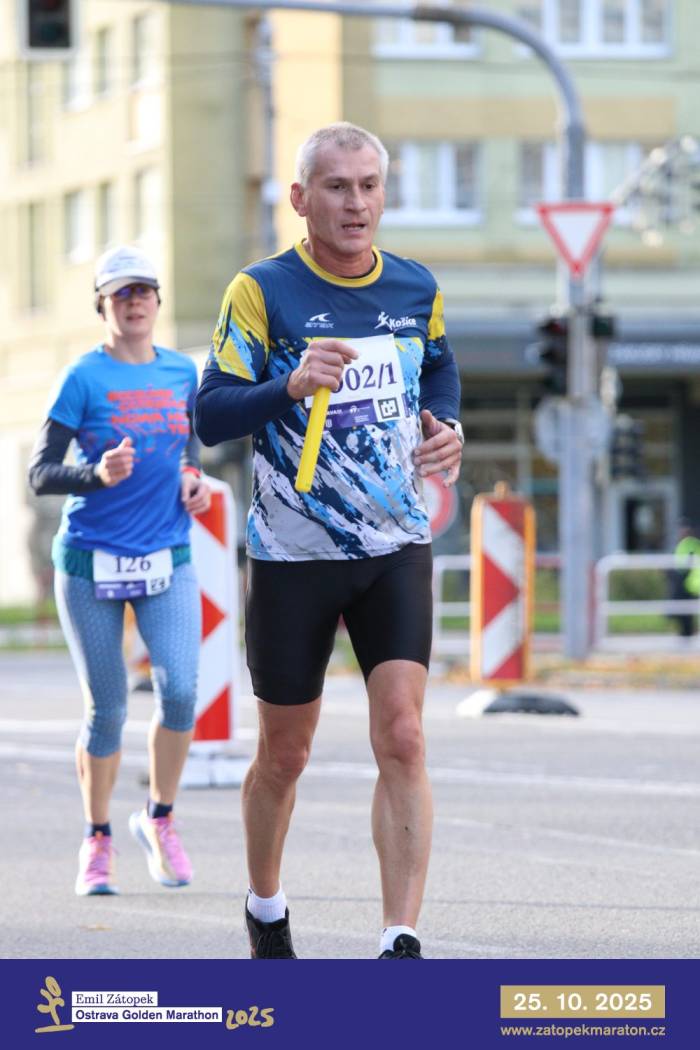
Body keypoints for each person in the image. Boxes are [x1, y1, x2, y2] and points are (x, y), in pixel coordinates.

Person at [195, 122, 463, 959]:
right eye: (337, 187)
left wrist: (445, 423)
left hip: (394, 544)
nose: (356, 203)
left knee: (404, 735)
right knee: (286, 754)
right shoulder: (261, 290)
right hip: (293, 558)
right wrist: (289, 383)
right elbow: (210, 413)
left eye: (369, 186)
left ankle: (400, 936)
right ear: (301, 198)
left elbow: (439, 365)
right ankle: (266, 905)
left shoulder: (415, 286)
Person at [28, 245, 211, 896]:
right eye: (121, 293)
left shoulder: (181, 372)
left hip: (166, 554)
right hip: (90, 561)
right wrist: (95, 474)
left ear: (158, 301)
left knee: (181, 692)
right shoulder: (83, 377)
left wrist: (192, 478)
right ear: (102, 306)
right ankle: (97, 838)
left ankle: (159, 819)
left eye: (144, 291)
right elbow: (40, 473)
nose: (134, 302)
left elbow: (188, 447)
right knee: (106, 709)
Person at [669, 519, 700, 638]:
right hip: (690, 582)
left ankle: (688, 633)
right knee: (686, 611)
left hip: (690, 583)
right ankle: (687, 632)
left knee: (687, 611)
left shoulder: (689, 544)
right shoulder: (690, 543)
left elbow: (682, 566)